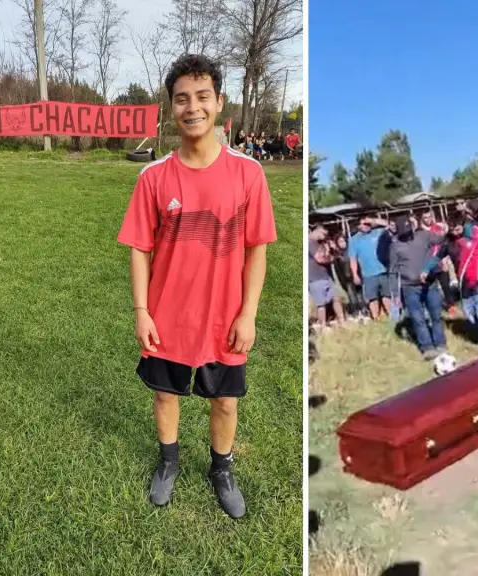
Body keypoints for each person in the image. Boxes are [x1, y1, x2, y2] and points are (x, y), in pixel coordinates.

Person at [117, 54, 277, 519]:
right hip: (168, 316)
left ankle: (221, 470)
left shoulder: (249, 173)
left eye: (202, 97)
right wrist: (142, 311)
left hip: (224, 318)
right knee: (165, 394)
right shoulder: (153, 177)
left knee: (225, 401)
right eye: (182, 99)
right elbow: (139, 250)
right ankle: (168, 462)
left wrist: (248, 314)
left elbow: (257, 251)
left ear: (218, 102)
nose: (193, 107)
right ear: (172, 108)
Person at [425, 219, 478, 353]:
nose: (455, 231)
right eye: (453, 229)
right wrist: (425, 269)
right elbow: (437, 257)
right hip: (465, 285)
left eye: (458, 228)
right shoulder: (449, 244)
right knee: (470, 315)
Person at [387, 216, 448, 360]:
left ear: (413, 228)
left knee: (436, 315)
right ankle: (427, 347)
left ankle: (440, 343)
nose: (407, 235)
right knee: (418, 318)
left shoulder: (424, 236)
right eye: (404, 233)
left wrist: (446, 231)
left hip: (430, 283)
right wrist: (395, 294)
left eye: (409, 231)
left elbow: (441, 240)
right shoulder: (395, 246)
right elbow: (393, 271)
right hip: (409, 288)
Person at [347, 216, 392, 320]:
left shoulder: (378, 232)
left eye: (368, 224)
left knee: (387, 295)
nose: (367, 226)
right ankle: (376, 318)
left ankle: (390, 316)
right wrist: (355, 274)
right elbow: (353, 259)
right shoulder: (354, 240)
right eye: (364, 224)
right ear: (358, 226)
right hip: (368, 274)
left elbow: (390, 225)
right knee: (372, 298)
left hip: (383, 270)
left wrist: (374, 220)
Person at [309, 226, 345, 328]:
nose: (324, 236)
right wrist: (331, 259)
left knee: (336, 298)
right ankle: (323, 326)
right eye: (322, 234)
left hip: (326, 276)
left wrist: (331, 249)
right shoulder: (309, 243)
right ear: (316, 230)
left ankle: (342, 321)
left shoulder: (320, 242)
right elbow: (320, 259)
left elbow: (328, 255)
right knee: (321, 304)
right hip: (315, 278)